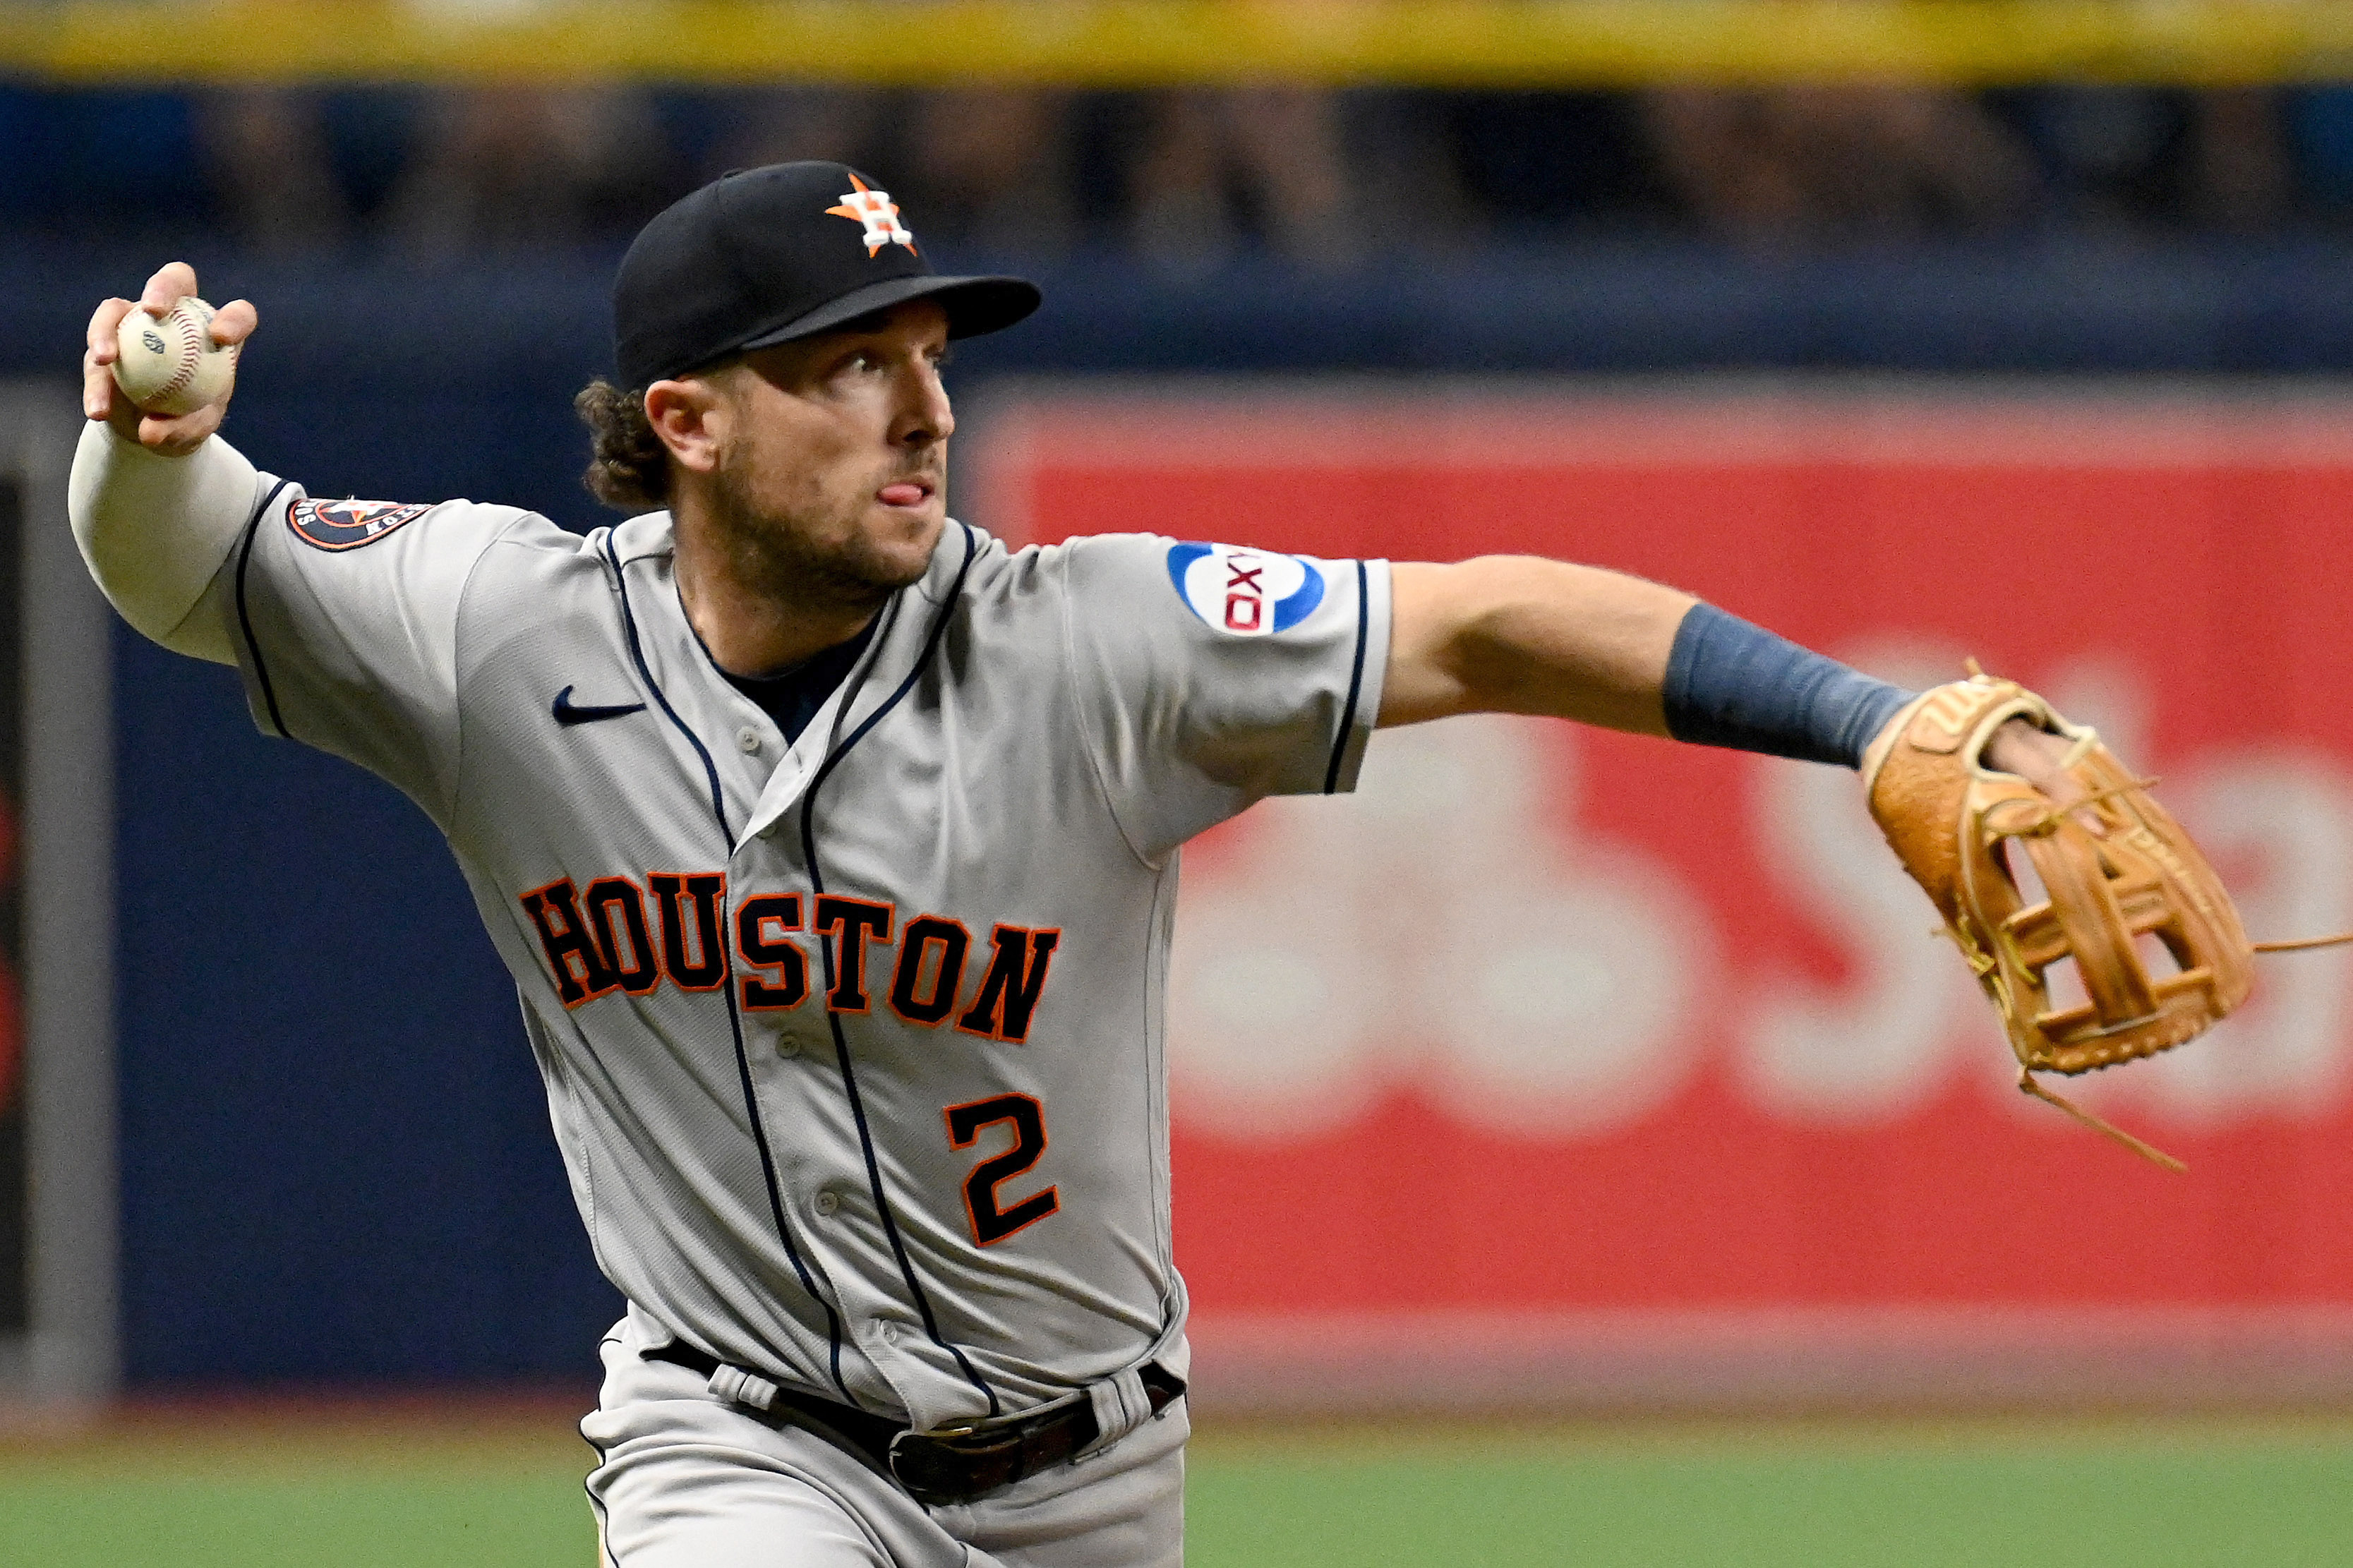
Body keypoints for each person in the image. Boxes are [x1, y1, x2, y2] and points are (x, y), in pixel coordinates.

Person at [71, 161, 2077, 1567]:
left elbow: (1479, 621)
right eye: (847, 362)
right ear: (684, 417)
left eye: (929, 348)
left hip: (1090, 1483)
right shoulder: (497, 632)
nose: (925, 404)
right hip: (733, 1442)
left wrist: (1866, 719)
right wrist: (138, 450)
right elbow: (191, 569)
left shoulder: (1094, 641)